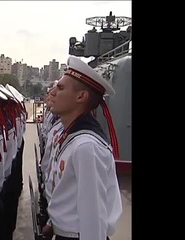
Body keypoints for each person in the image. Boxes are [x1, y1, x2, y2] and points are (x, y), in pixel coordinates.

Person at [44, 55, 122, 240]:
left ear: (81, 96)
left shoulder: (86, 146)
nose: (52, 92)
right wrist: (52, 223)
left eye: (60, 88)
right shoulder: (72, 135)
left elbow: (93, 217)